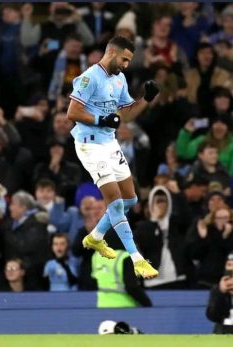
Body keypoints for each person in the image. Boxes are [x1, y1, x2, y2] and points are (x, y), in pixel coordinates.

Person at [67, 35, 159, 279]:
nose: (127, 65)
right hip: (89, 145)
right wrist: (101, 120)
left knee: (131, 200)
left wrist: (146, 100)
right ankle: (137, 259)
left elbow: (125, 115)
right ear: (112, 53)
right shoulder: (89, 77)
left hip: (109, 143)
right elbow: (72, 112)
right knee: (115, 201)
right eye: (125, 59)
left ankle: (96, 237)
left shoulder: (119, 79)